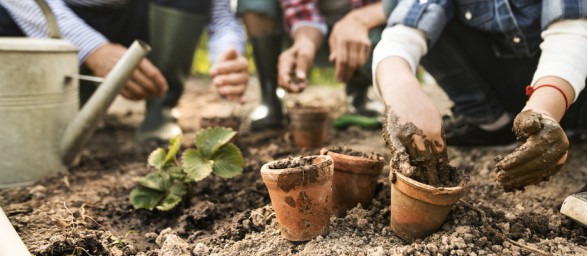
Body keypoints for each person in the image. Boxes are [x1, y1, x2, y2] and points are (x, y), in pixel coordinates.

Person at [374, 0, 587, 249]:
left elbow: (572, 31)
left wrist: (544, 109)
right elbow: (406, 27)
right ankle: (490, 120)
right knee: (394, 5)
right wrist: (400, 88)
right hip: (513, 90)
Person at [0, 0, 249, 143]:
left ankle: (160, 108)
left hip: (143, 17)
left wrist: (229, 53)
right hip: (64, 15)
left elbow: (220, 15)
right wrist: (91, 48)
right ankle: (69, 104)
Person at [236, 0, 387, 131]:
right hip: (299, 33)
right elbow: (302, 11)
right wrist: (305, 42)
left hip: (368, 34)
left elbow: (405, 5)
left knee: (396, 25)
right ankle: (270, 96)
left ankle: (359, 92)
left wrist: (358, 21)